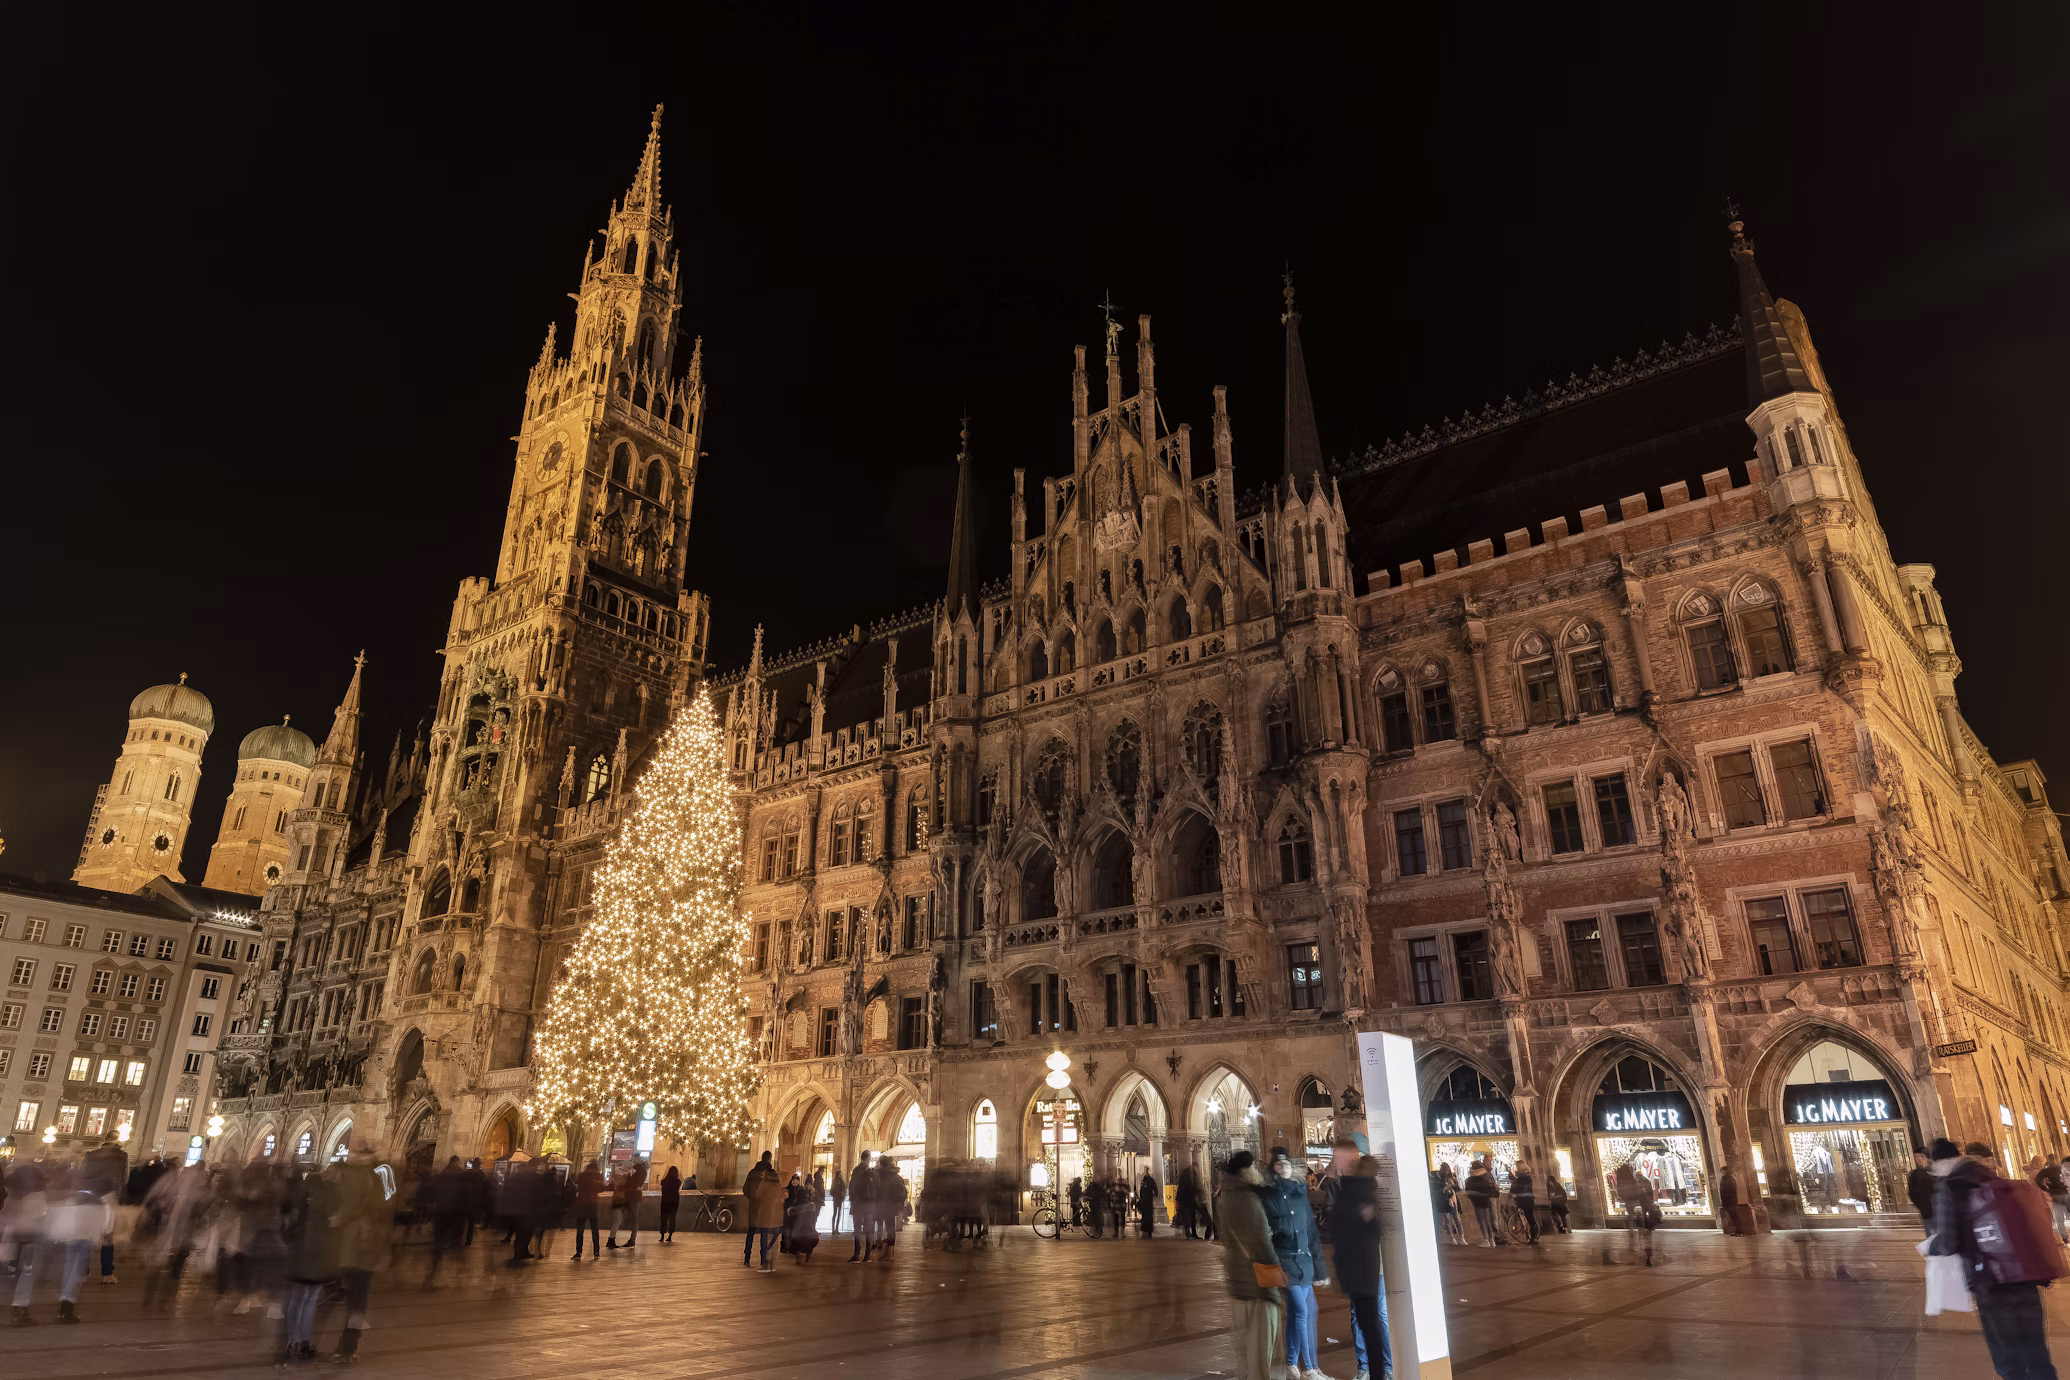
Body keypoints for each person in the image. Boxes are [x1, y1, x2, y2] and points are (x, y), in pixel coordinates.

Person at [1930, 1137, 2060, 1379]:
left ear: (1938, 1163)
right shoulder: (1991, 1176)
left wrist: (1931, 1246)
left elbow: (1948, 1243)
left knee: (2008, 1359)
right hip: (2024, 1274)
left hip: (1990, 1282)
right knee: (2037, 1354)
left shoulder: (1949, 1187)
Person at [1215, 1151, 1284, 1380]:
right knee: (1260, 1350)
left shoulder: (1228, 1194)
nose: (1257, 1170)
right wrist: (1277, 1274)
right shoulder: (1247, 1198)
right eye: (1254, 1166)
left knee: (1246, 1349)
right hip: (1257, 1284)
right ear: (1247, 1170)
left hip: (1238, 1281)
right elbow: (1261, 1241)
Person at [323, 1136, 392, 1362]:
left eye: (354, 1152)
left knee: (341, 1295)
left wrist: (336, 1219)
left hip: (353, 1245)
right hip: (370, 1246)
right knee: (358, 1297)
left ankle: (344, 1347)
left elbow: (350, 1208)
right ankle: (350, 1345)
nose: (350, 1154)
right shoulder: (380, 1177)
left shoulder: (356, 1176)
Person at [1330, 1136, 1391, 1380]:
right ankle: (1369, 1368)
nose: (1335, 1162)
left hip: (1364, 1271)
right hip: (1358, 1271)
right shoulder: (1349, 1187)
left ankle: (1381, 1368)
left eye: (1338, 1157)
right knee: (1366, 1322)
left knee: (1374, 1321)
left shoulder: (1361, 1190)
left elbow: (1360, 1230)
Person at [1263, 1148, 1327, 1380]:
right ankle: (1308, 1369)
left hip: (1304, 1261)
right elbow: (1266, 1228)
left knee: (1308, 1312)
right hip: (1285, 1260)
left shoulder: (1300, 1194)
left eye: (1287, 1164)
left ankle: (1294, 1365)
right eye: (1279, 1165)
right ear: (1273, 1169)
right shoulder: (1269, 1194)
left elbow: (1311, 1233)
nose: (1284, 1168)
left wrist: (1321, 1269)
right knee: (1301, 1311)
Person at [742, 1152, 783, 1272]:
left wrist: (753, 1199)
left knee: (751, 1232)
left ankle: (747, 1258)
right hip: (767, 1208)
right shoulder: (771, 1174)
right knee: (765, 1234)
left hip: (754, 1207)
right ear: (770, 1159)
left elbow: (745, 1189)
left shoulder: (752, 1172)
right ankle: (763, 1259)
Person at [607, 1159, 646, 1249]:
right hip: (620, 1200)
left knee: (618, 1220)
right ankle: (611, 1240)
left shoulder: (630, 1175)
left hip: (621, 1200)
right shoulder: (625, 1176)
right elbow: (624, 1187)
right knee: (618, 1220)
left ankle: (611, 1240)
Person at [570, 1161, 606, 1260]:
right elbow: (602, 1188)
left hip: (582, 1204)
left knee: (580, 1229)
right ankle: (596, 1251)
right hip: (593, 1204)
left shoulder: (582, 1175)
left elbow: (578, 1187)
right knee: (594, 1229)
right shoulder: (599, 1176)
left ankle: (578, 1252)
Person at [1463, 1159, 1501, 1247]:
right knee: (1487, 1220)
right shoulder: (1486, 1177)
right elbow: (1491, 1188)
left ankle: (1485, 1239)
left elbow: (1469, 1190)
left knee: (1481, 1220)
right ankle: (1491, 1240)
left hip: (1477, 1201)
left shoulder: (1471, 1179)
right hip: (1486, 1200)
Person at [847, 1155, 876, 1262]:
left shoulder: (857, 1170)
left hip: (859, 1204)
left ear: (861, 1158)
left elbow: (852, 1186)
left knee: (857, 1229)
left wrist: (853, 1202)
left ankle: (857, 1254)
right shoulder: (872, 1172)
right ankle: (867, 1255)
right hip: (870, 1205)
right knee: (869, 1230)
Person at [2035, 1156, 2069, 1245]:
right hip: (2065, 1194)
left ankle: (2065, 1238)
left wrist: (2046, 1189)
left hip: (2055, 1196)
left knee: (2059, 1219)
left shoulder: (2046, 1171)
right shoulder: (2060, 1168)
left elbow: (2037, 1180)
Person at [1511, 1160, 1540, 1243]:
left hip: (1524, 1199)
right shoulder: (1527, 1176)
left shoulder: (1522, 1178)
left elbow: (1519, 1188)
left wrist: (1513, 1188)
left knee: (1529, 1217)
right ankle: (1533, 1236)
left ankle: (1533, 1237)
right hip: (1528, 1199)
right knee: (1529, 1217)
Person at [658, 1166, 682, 1244]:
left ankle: (662, 1236)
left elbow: (662, 1185)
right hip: (674, 1202)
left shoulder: (664, 1181)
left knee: (663, 1218)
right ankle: (670, 1236)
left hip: (665, 1201)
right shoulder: (677, 1181)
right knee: (672, 1219)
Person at [1136, 1172, 1159, 1240]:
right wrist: (1151, 1197)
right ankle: (1148, 1233)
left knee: (1145, 1218)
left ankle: (1145, 1232)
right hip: (1148, 1202)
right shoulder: (1150, 1181)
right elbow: (1155, 1192)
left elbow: (1141, 1192)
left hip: (1146, 1202)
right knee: (1148, 1217)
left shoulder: (1144, 1181)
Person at [830, 1168, 848, 1235]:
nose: (841, 1175)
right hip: (839, 1199)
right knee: (837, 1214)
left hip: (836, 1199)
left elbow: (832, 1191)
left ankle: (834, 1229)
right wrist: (842, 1197)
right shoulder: (840, 1181)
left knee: (835, 1214)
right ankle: (836, 1229)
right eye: (841, 1174)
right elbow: (843, 1190)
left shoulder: (835, 1181)